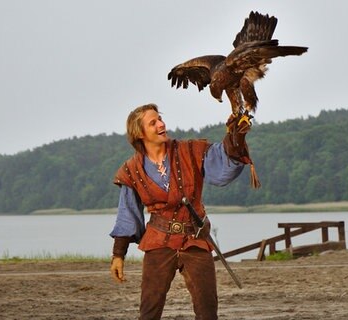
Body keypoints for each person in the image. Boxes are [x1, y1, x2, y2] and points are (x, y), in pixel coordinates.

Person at [108, 103, 254, 319]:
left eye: (160, 119)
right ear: (140, 133)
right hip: (158, 240)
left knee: (207, 310)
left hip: (194, 239)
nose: (161, 124)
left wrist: (235, 137)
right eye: (153, 122)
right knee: (149, 311)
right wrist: (118, 255)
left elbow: (221, 161)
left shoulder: (189, 151)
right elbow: (127, 213)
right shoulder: (132, 169)